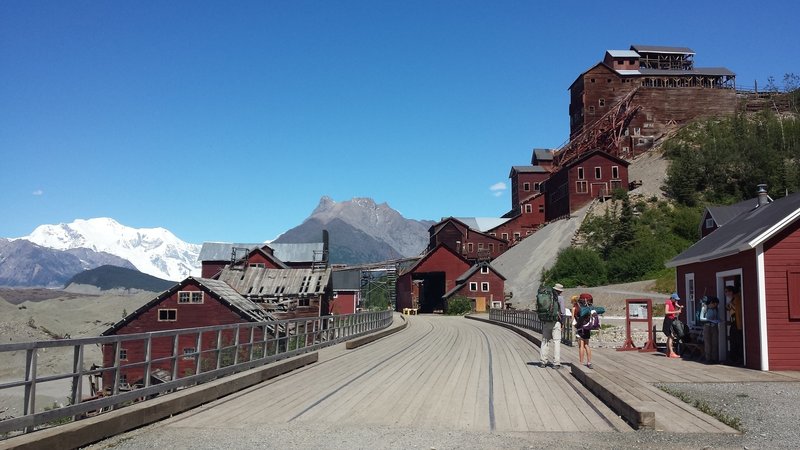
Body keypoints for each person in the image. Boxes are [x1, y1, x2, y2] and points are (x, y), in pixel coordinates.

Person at [540, 283, 565, 369]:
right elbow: (562, 312)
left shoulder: (546, 296)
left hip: (546, 321)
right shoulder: (560, 298)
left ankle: (543, 362)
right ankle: (556, 363)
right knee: (556, 342)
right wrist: (562, 323)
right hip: (556, 322)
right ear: (560, 291)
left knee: (545, 341)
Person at [574, 293, 593, 369]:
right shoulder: (590, 307)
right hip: (587, 327)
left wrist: (576, 325)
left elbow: (576, 317)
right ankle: (589, 362)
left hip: (580, 327)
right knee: (587, 345)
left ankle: (581, 362)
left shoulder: (578, 307)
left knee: (581, 345)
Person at [725, 286, 743, 364]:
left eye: (728, 291)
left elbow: (736, 308)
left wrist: (730, 305)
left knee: (737, 342)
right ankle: (733, 358)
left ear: (732, 291)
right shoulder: (732, 299)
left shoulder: (737, 298)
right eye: (726, 292)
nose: (727, 293)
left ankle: (738, 359)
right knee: (733, 341)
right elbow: (728, 308)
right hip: (733, 322)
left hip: (737, 323)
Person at [700, 296, 720, 363]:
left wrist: (718, 320)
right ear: (711, 303)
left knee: (715, 342)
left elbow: (717, 317)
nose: (715, 306)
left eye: (716, 305)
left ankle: (715, 358)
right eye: (714, 304)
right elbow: (701, 318)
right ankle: (708, 358)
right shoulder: (704, 308)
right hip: (707, 326)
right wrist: (708, 320)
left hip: (714, 326)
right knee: (708, 343)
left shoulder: (716, 309)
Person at [663, 293, 683, 358]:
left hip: (672, 320)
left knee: (670, 337)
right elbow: (666, 312)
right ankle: (671, 352)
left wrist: (680, 307)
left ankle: (668, 352)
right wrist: (676, 312)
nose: (676, 301)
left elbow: (677, 305)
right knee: (671, 336)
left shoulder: (674, 303)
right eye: (676, 299)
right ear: (672, 298)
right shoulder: (668, 302)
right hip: (668, 320)